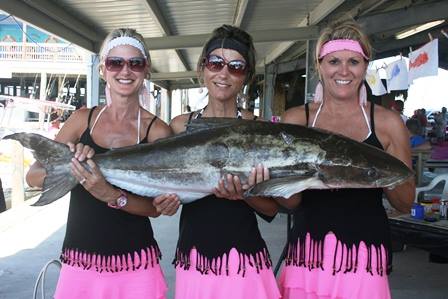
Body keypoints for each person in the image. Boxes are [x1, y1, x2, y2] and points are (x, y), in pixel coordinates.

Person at [26, 28, 180, 299]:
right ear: (103, 69)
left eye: (135, 63)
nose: (125, 71)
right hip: (79, 264)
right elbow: (33, 176)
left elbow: (155, 209)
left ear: (146, 70)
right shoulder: (81, 120)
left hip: (136, 266)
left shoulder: (158, 132)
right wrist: (73, 168)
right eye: (115, 62)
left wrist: (110, 195)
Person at [277, 20, 415, 299]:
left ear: (365, 66)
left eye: (353, 61)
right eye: (333, 61)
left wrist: (375, 169)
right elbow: (289, 201)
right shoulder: (296, 120)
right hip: (307, 255)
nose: (343, 70)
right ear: (320, 65)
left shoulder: (387, 123)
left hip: (363, 259)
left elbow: (405, 201)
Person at [166, 24, 280, 299]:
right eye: (216, 63)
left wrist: (244, 195)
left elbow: (272, 208)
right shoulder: (180, 126)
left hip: (245, 259)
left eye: (236, 66)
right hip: (194, 257)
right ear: (202, 68)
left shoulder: (258, 128)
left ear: (247, 76)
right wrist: (163, 202)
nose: (224, 73)